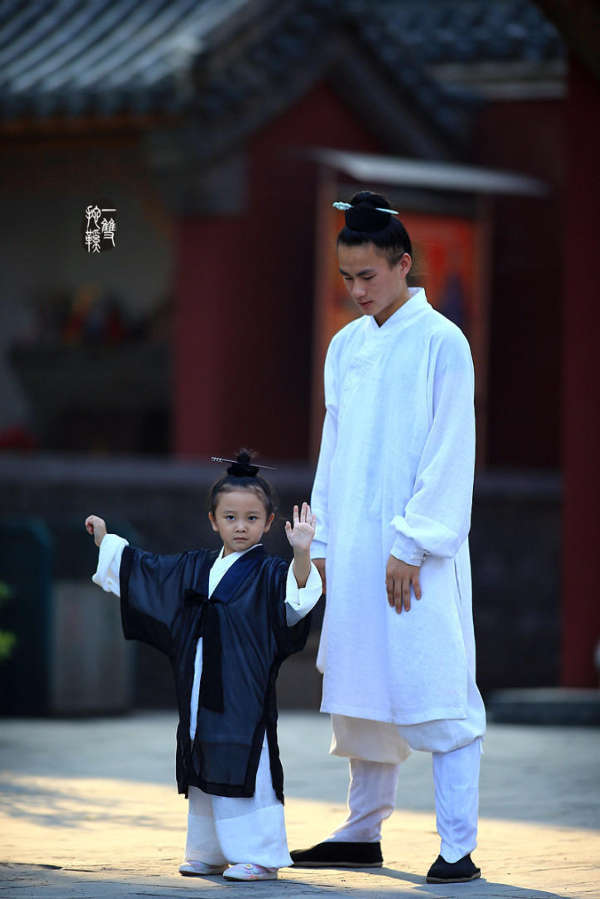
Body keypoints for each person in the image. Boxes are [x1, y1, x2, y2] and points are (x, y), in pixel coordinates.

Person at [291, 192, 486, 884]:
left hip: (417, 551)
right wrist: (320, 541)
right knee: (362, 690)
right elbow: (334, 447)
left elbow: (451, 448)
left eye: (368, 276)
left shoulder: (442, 341)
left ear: (404, 264)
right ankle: (360, 829)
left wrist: (413, 542)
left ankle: (458, 846)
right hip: (353, 546)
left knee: (437, 688)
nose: (356, 290)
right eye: (347, 277)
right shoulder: (345, 347)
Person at [85, 451, 322, 882]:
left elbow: (298, 601)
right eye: (230, 517)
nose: (240, 526)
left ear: (269, 522)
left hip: (243, 686)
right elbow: (150, 570)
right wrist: (107, 541)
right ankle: (208, 851)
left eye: (252, 518)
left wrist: (302, 553)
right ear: (213, 520)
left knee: (249, 759)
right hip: (199, 680)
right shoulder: (196, 565)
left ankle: (260, 855)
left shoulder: (271, 572)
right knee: (202, 751)